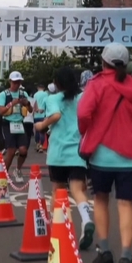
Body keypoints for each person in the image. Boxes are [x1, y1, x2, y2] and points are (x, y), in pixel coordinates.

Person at [78, 43, 132, 263]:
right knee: (126, 203)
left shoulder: (96, 84)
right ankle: (127, 253)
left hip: (102, 154)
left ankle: (104, 248)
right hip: (130, 155)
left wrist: (88, 130)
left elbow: (83, 114)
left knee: (100, 199)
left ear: (103, 62)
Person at [35, 67, 94, 251]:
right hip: (78, 152)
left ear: (58, 84)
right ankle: (86, 220)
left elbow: (56, 115)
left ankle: (57, 229)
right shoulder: (83, 97)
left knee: (57, 191)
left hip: (58, 153)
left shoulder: (53, 99)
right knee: (78, 189)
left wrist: (41, 125)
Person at [0, 71, 33, 181]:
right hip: (8, 124)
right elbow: (1, 111)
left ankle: (18, 169)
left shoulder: (23, 94)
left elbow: (30, 110)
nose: (16, 84)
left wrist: (27, 103)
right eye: (14, 82)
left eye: (18, 82)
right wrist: (12, 103)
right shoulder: (4, 94)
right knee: (11, 151)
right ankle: (5, 173)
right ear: (10, 82)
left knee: (23, 150)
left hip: (20, 124)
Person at [32, 83, 49, 152]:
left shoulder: (35, 95)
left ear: (38, 87)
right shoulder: (46, 94)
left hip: (36, 114)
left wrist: (34, 111)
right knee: (42, 131)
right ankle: (41, 145)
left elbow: (34, 104)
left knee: (37, 130)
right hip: (44, 114)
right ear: (44, 87)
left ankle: (37, 144)